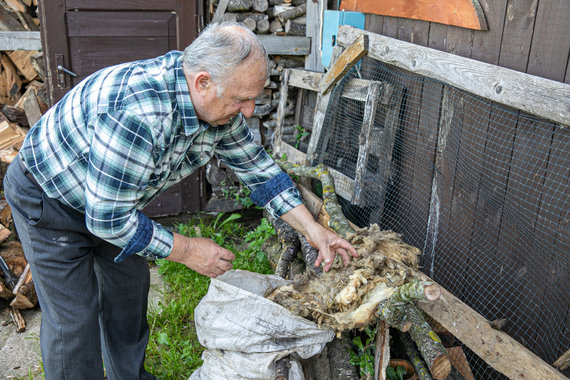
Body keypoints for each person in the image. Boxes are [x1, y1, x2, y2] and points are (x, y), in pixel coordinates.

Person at [3, 22, 358, 379]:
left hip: (112, 201)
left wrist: (313, 229)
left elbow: (259, 170)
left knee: (127, 294)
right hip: (50, 198)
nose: (249, 111)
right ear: (202, 82)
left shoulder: (216, 104)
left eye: (253, 99)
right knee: (73, 319)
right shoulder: (139, 115)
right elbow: (108, 220)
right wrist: (187, 250)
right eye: (240, 99)